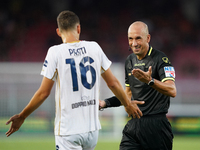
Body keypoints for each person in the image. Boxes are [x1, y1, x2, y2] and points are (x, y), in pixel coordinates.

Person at [5, 11, 144, 150]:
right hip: (92, 130)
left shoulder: (55, 52)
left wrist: (23, 116)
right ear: (78, 28)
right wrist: (127, 104)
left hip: (68, 130)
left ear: (58, 32)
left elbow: (43, 93)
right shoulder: (94, 47)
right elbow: (113, 83)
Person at [99, 21, 177, 150]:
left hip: (157, 127)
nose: (134, 43)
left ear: (148, 38)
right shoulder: (130, 61)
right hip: (134, 125)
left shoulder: (161, 59)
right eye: (130, 39)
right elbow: (127, 95)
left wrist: (150, 81)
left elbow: (172, 90)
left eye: (138, 38)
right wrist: (106, 103)